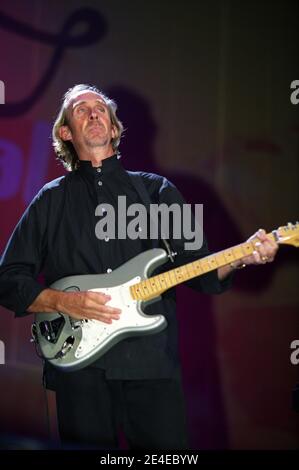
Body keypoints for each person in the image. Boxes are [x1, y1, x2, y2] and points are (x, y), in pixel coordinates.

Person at [0, 84, 278, 450]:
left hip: (151, 365)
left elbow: (202, 272)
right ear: (65, 132)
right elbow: (8, 279)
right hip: (78, 369)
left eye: (100, 108)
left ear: (114, 129)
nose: (93, 113)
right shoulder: (50, 200)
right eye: (80, 110)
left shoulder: (157, 192)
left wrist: (240, 257)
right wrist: (61, 302)